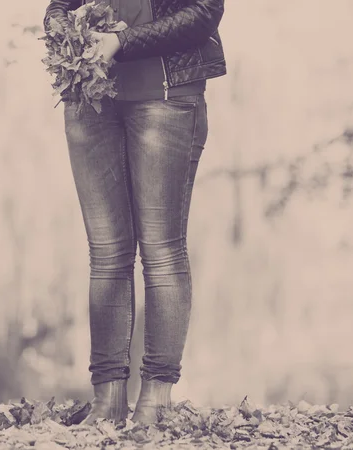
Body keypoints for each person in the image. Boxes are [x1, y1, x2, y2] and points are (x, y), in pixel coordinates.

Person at [43, 0, 227, 425]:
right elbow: (57, 6)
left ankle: (156, 401)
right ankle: (107, 401)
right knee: (106, 255)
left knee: (162, 254)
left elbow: (203, 14)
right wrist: (60, 29)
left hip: (166, 102)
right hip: (90, 102)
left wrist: (120, 42)